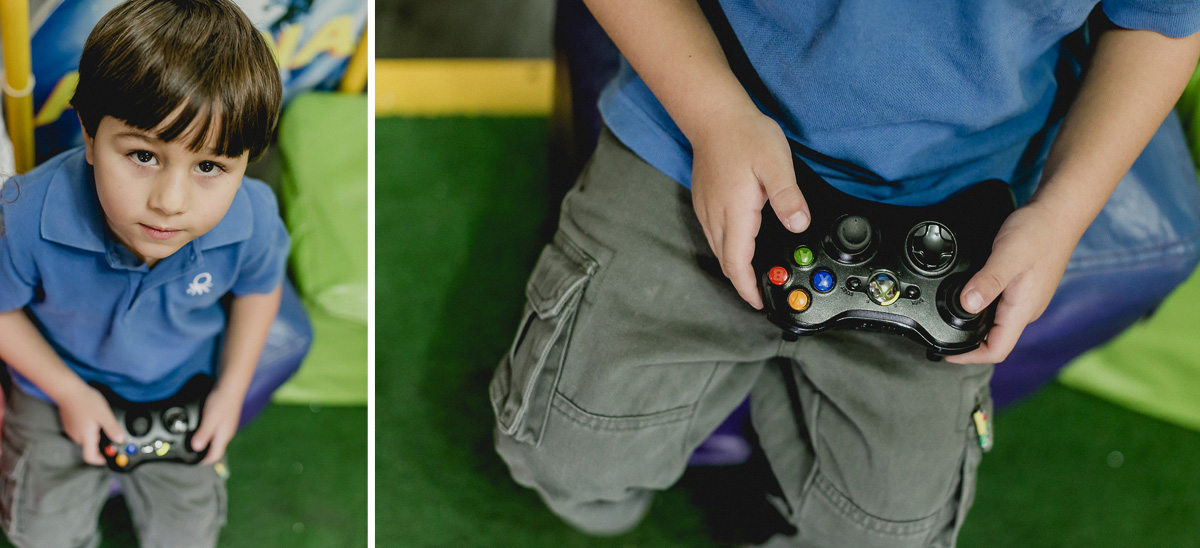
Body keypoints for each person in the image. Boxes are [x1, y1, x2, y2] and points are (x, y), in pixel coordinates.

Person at [491, 1, 1200, 546]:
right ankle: (621, 503)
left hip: (963, 206)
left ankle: (770, 459)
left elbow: (1162, 21)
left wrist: (1062, 212)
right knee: (566, 454)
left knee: (889, 531)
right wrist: (710, 113)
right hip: (699, 129)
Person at [0, 0, 287, 546]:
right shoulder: (23, 215)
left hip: (180, 383)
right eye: (143, 156)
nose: (170, 203)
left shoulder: (252, 217)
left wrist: (231, 390)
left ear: (246, 161)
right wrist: (67, 391)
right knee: (42, 535)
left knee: (189, 535)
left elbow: (260, 289)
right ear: (89, 135)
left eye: (209, 166)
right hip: (55, 383)